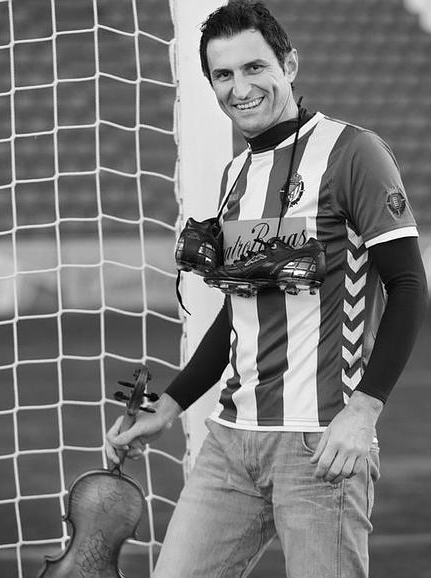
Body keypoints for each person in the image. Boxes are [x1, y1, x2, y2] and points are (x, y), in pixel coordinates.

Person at [106, 1, 428, 576]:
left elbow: (408, 286)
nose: (240, 87)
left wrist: (363, 412)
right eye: (223, 75)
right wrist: (172, 403)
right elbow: (240, 311)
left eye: (255, 68)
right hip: (229, 443)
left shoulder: (353, 152)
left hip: (319, 445)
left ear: (290, 64)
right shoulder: (235, 177)